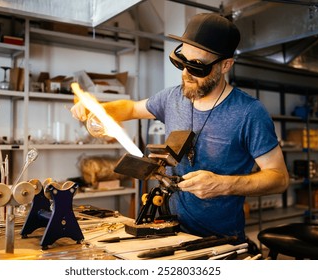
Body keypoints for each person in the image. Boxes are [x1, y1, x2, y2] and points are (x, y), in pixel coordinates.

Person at [71, 13, 289, 242]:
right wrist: (95, 108)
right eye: (181, 62)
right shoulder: (171, 98)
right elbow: (132, 108)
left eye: (197, 67)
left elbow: (279, 178)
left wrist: (224, 184)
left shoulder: (249, 113)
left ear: (225, 65)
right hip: (168, 229)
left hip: (220, 240)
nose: (185, 74)